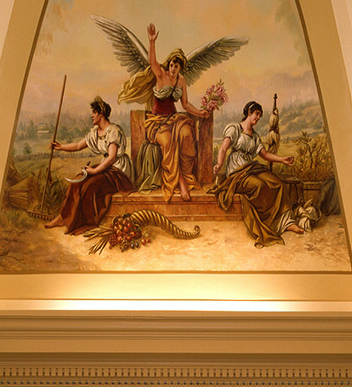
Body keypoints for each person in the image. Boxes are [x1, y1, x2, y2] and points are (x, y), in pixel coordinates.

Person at [120, 25, 209, 203]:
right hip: (156, 122)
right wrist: (152, 42)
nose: (174, 68)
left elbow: (184, 104)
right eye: (172, 64)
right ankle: (179, 182)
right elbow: (152, 62)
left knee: (185, 135)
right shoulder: (160, 74)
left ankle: (185, 175)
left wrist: (200, 112)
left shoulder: (181, 80)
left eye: (177, 66)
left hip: (174, 119)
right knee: (167, 142)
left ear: (180, 67)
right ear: (168, 63)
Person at [213, 100, 308, 247]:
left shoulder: (255, 136)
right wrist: (219, 163)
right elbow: (223, 149)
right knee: (259, 185)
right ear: (249, 112)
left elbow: (264, 155)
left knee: (278, 184)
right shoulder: (234, 128)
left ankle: (287, 222)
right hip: (237, 171)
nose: (258, 118)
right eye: (257, 114)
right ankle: (267, 222)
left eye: (260, 116)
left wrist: (282, 159)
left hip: (251, 167)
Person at [44, 98, 134, 233]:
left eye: (94, 112)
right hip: (105, 167)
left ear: (101, 113)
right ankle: (63, 217)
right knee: (77, 180)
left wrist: (95, 171)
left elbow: (111, 157)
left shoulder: (113, 131)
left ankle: (86, 221)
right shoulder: (95, 133)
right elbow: (78, 145)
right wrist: (60, 147)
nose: (91, 115)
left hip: (117, 170)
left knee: (90, 185)